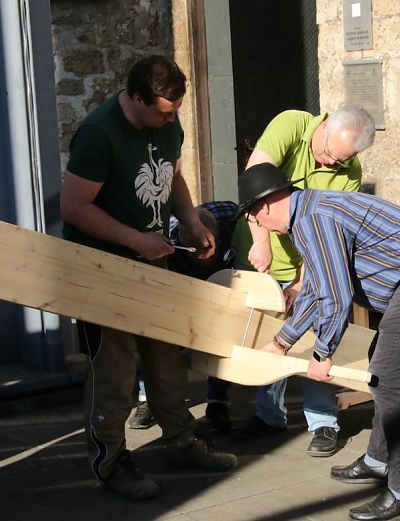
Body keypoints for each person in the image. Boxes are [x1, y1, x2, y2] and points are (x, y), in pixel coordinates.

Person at [236, 163, 400, 521]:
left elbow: (336, 295)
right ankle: (378, 460)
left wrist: (322, 352)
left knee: (391, 380)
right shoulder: (312, 211)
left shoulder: (313, 219)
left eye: (254, 220)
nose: (261, 227)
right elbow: (314, 288)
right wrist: (281, 343)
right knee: (381, 367)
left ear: (263, 208)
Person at [60, 55, 237, 501]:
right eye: (160, 110)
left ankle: (180, 442)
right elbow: (74, 207)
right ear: (135, 98)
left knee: (168, 359)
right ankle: (111, 461)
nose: (169, 118)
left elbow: (172, 177)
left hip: (152, 268)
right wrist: (136, 240)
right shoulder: (98, 135)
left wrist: (192, 223)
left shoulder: (166, 123)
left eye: (174, 111)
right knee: (115, 374)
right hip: (104, 271)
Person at [230, 106, 375, 458]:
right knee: (268, 334)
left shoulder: (348, 171)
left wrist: (302, 283)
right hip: (262, 256)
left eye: (338, 161)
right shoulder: (291, 125)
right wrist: (261, 241)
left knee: (318, 331)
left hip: (308, 260)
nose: (329, 164)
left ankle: (323, 421)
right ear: (323, 127)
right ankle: (269, 416)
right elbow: (254, 177)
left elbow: (332, 236)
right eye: (326, 153)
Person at [130, 200, 239, 433]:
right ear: (182, 243)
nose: (200, 255)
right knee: (160, 340)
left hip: (221, 281)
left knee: (222, 338)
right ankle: (148, 400)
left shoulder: (231, 217)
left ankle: (217, 403)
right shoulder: (167, 245)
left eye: (205, 247)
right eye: (194, 249)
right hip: (176, 291)